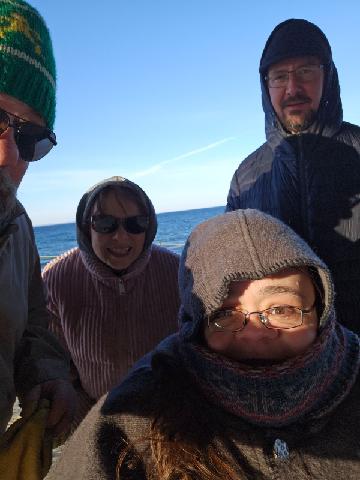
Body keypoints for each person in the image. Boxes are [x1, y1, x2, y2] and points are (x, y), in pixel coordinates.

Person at [46, 209, 360, 479]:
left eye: (280, 309)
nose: (254, 333)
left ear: (321, 308)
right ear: (195, 326)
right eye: (224, 313)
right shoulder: (135, 416)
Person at [226, 19, 360, 334]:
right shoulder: (245, 178)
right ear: (265, 85)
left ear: (328, 76)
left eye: (305, 72)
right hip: (284, 354)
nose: (292, 88)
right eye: (279, 76)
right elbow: (234, 280)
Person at [42, 176, 180, 426]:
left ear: (149, 227)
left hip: (169, 416)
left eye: (136, 224)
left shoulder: (176, 272)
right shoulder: (56, 278)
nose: (120, 237)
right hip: (97, 416)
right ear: (86, 226)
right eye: (105, 223)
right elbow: (55, 362)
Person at [0, 0, 76, 437]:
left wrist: (45, 373)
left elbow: (31, 317)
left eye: (30, 137)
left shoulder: (18, 224)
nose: (8, 154)